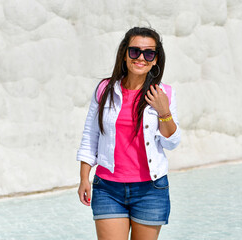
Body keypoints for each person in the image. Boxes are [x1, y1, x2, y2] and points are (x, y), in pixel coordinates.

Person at [77, 27, 181, 240]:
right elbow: (90, 135)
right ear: (125, 54)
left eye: (148, 53)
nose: (141, 57)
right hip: (108, 188)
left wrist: (164, 111)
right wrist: (84, 177)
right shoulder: (105, 89)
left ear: (155, 59)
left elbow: (171, 143)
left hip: (150, 190)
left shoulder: (164, 93)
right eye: (135, 51)